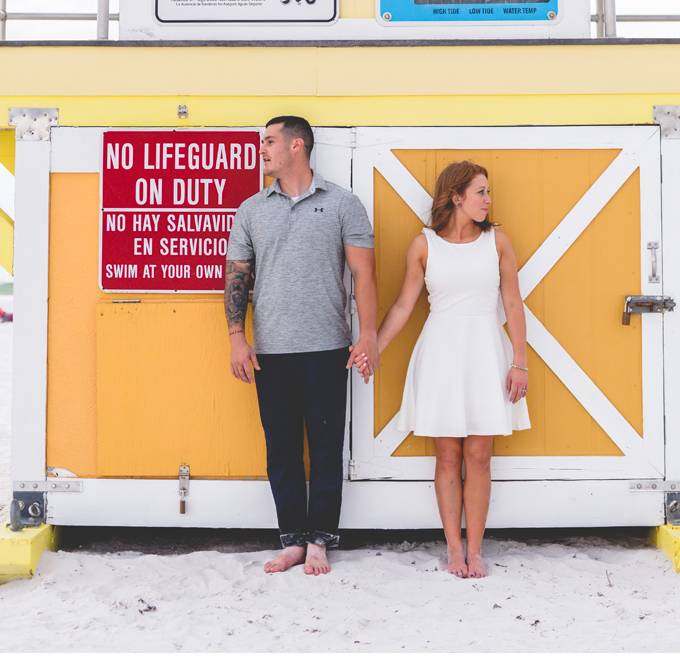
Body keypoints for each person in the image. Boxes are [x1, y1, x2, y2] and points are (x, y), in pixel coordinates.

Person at [223, 116, 379, 576]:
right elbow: (237, 277)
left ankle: (319, 542)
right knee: (283, 449)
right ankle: (292, 540)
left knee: (327, 447)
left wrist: (367, 334)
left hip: (329, 347)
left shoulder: (343, 204)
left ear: (297, 146)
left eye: (269, 141)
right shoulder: (251, 209)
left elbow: (365, 275)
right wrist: (237, 338)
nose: (262, 149)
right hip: (270, 352)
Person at [372, 161, 530, 578]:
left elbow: (513, 303)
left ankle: (476, 551)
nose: (488, 200)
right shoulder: (424, 245)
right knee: (447, 455)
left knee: (479, 455)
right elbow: (405, 305)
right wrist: (373, 346)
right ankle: (454, 550)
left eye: (488, 192)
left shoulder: (498, 242)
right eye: (481, 192)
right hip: (441, 352)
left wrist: (520, 362)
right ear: (456, 197)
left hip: (485, 351)